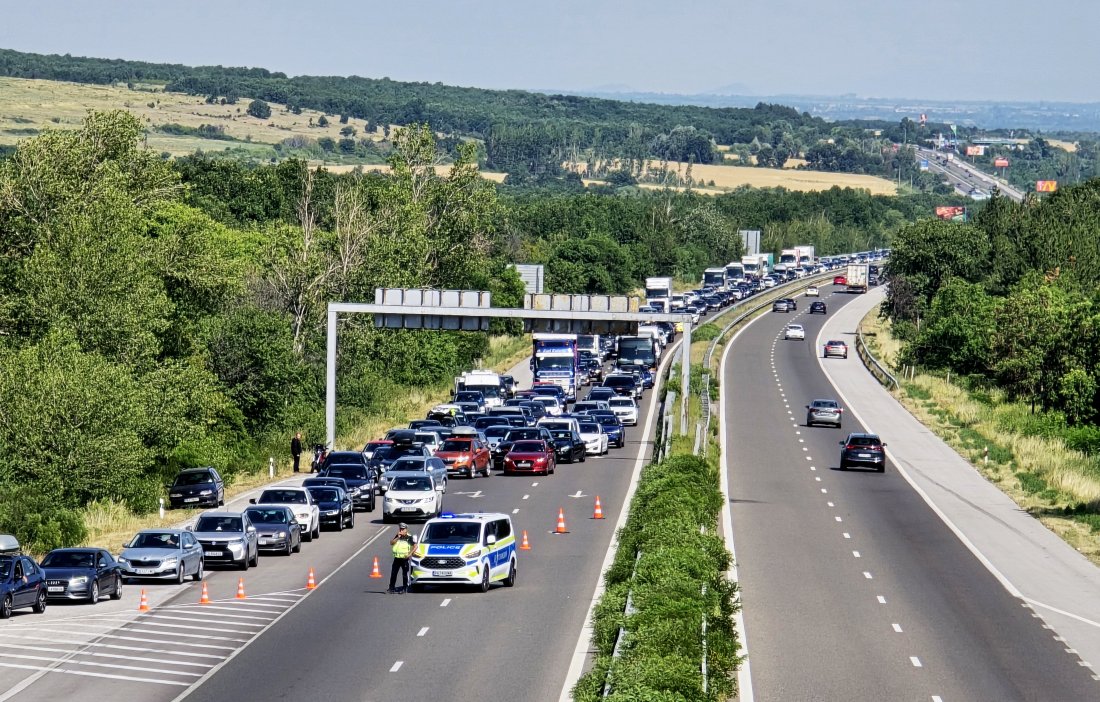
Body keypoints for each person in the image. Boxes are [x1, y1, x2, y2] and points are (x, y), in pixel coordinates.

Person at [388, 523, 416, 594]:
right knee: (393, 573)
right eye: (400, 529)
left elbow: (415, 546)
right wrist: (397, 537)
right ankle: (391, 588)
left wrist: (410, 554)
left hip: (404, 559)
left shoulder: (409, 537)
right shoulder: (398, 535)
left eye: (403, 529)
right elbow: (391, 543)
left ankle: (404, 588)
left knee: (404, 574)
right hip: (397, 558)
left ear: (406, 529)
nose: (401, 530)